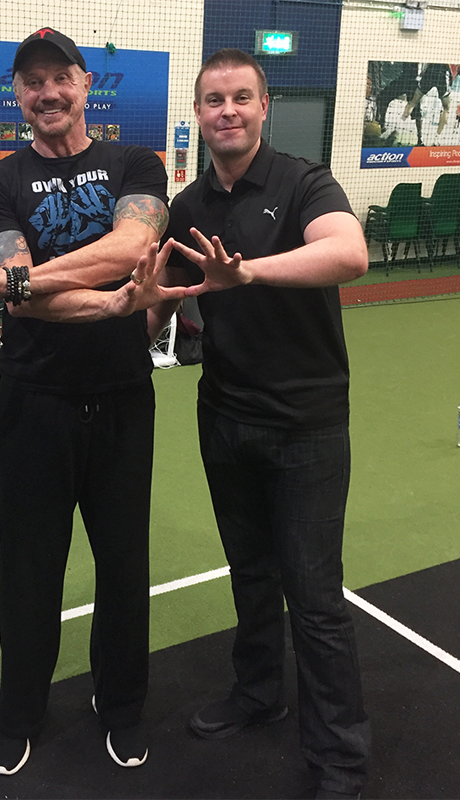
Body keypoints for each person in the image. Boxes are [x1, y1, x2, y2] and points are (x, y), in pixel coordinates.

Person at [0, 27, 173, 775]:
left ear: (84, 84)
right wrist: (109, 304)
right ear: (18, 94)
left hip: (123, 396)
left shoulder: (135, 163)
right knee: (29, 567)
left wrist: (22, 280)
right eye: (31, 82)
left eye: (59, 77)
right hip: (34, 401)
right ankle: (20, 714)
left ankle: (121, 704)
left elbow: (131, 249)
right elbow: (20, 302)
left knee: (124, 561)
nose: (47, 93)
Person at [144, 49, 371, 800]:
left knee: (314, 596)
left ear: (263, 106)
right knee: (250, 573)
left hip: (307, 424)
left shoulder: (305, 181)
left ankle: (340, 759)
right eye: (214, 100)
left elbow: (349, 253)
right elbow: (163, 305)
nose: (228, 111)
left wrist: (246, 272)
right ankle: (257, 692)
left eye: (241, 97)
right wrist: (139, 300)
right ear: (198, 113)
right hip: (225, 415)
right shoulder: (187, 207)